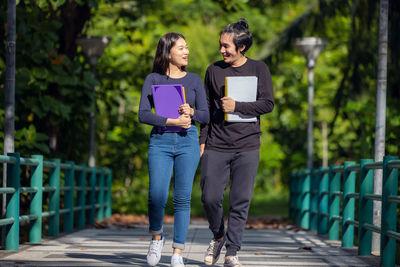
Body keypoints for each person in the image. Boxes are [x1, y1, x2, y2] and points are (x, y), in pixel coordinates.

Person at [199, 18, 274, 267]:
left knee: (240, 201)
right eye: (220, 45)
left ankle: (232, 252)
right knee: (210, 197)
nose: (221, 50)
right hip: (216, 144)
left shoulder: (259, 69)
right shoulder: (213, 70)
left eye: (226, 46)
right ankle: (219, 236)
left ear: (241, 47)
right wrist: (202, 141)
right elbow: (207, 109)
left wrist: (237, 106)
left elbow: (267, 104)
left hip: (247, 145)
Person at [139, 32, 209, 267]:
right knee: (156, 196)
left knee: (182, 198)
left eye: (186, 47)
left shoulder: (195, 80)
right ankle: (156, 238)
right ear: (168, 52)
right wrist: (171, 121)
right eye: (181, 48)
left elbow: (206, 115)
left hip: (187, 141)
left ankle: (178, 251)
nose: (186, 51)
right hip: (160, 141)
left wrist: (191, 112)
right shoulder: (153, 79)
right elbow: (143, 114)